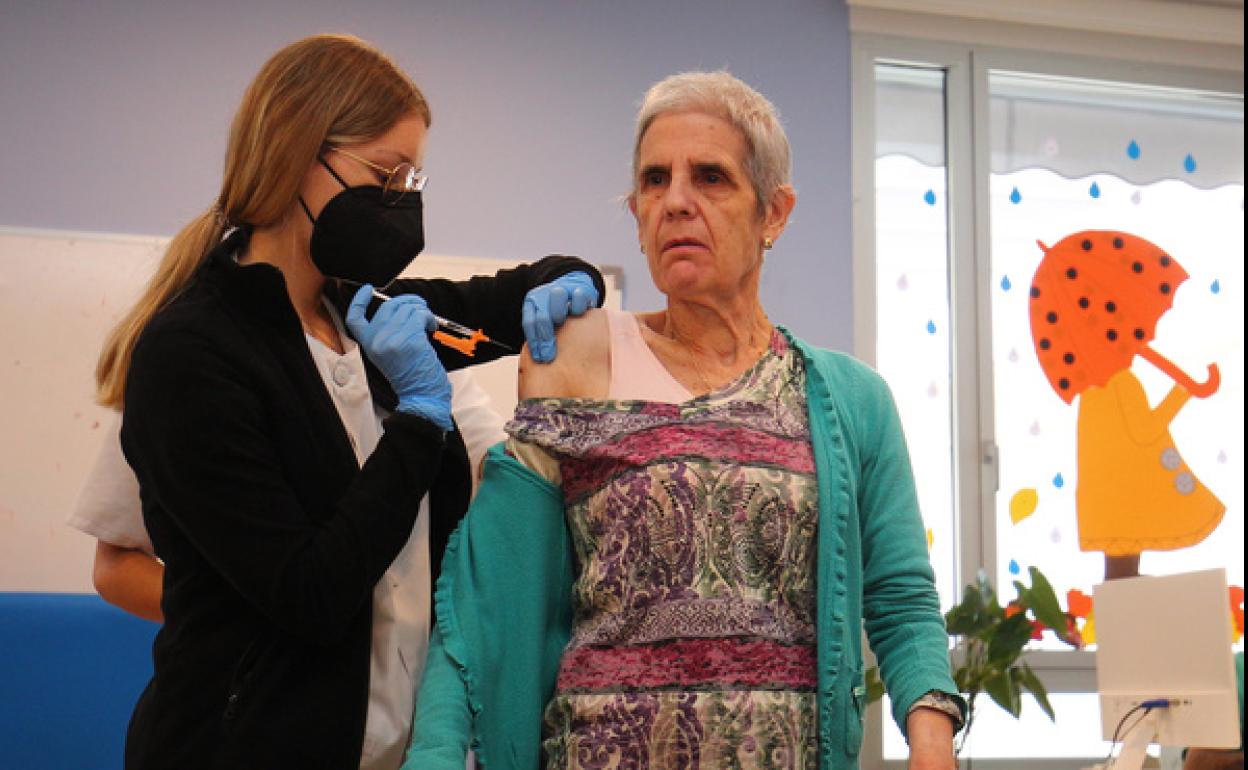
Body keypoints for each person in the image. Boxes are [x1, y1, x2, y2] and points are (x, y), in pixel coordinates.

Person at [404, 71, 963, 770]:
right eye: (654, 180)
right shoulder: (576, 361)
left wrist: (932, 741)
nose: (675, 202)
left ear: (775, 213)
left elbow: (902, 599)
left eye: (711, 178)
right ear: (636, 214)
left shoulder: (853, 401)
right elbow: (485, 609)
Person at [96, 34, 604, 770]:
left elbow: (506, 297)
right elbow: (309, 592)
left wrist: (574, 279)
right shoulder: (194, 354)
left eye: (412, 183)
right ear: (299, 153)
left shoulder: (368, 318)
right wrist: (421, 421)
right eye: (384, 175)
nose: (399, 204)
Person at [68, 368, 507, 625]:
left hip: (404, 722)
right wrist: (275, 621)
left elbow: (505, 478)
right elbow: (116, 566)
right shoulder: (191, 358)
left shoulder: (410, 346)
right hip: (258, 705)